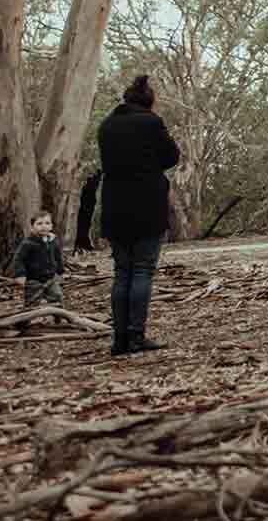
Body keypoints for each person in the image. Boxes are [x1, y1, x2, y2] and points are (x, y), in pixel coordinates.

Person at [98, 74, 180, 355]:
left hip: (114, 206)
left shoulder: (106, 125)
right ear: (149, 102)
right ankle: (136, 336)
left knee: (122, 272)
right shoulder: (151, 122)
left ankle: (119, 339)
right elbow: (171, 156)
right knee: (143, 269)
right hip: (147, 205)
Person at [9, 212, 66, 308]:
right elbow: (18, 259)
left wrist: (60, 271)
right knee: (32, 302)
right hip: (33, 280)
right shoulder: (28, 243)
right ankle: (25, 320)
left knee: (57, 296)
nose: (44, 226)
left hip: (50, 279)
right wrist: (20, 274)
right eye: (39, 224)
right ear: (32, 227)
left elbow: (58, 257)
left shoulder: (53, 241)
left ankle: (59, 317)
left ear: (51, 226)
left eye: (47, 223)